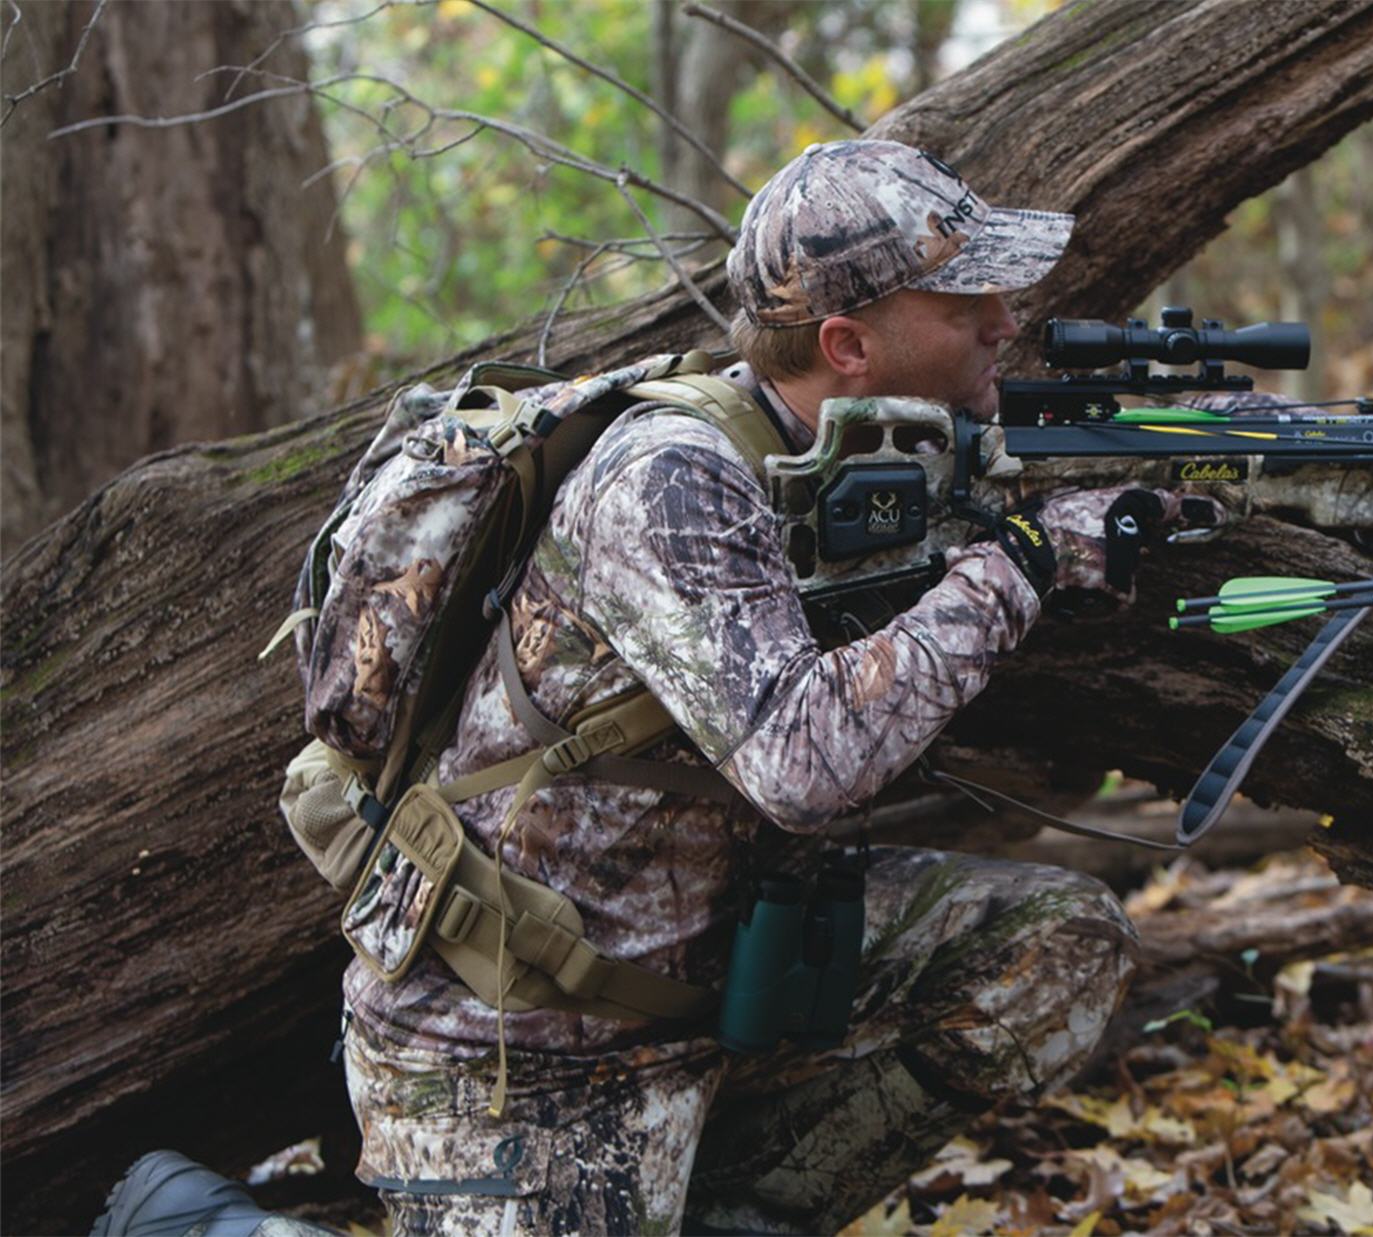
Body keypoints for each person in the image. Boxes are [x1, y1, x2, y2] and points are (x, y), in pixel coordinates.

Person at [316, 138, 1207, 1236]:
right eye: (966, 297)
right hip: (521, 1044)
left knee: (1055, 947)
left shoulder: (861, 451)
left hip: (735, 965)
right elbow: (802, 760)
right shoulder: (671, 476)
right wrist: (1021, 563)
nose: (1004, 320)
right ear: (846, 343)